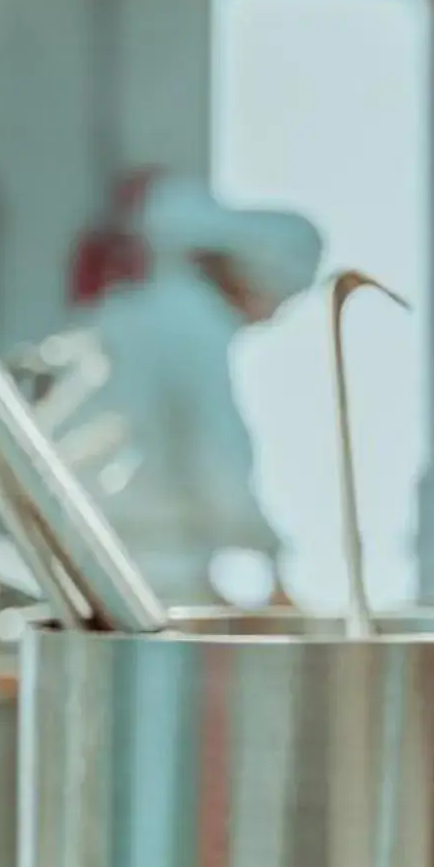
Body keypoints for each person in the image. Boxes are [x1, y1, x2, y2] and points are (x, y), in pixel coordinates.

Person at [73, 176, 323, 606]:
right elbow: (217, 464)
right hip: (147, 570)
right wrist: (268, 552)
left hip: (89, 556)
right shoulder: (193, 329)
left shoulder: (128, 313)